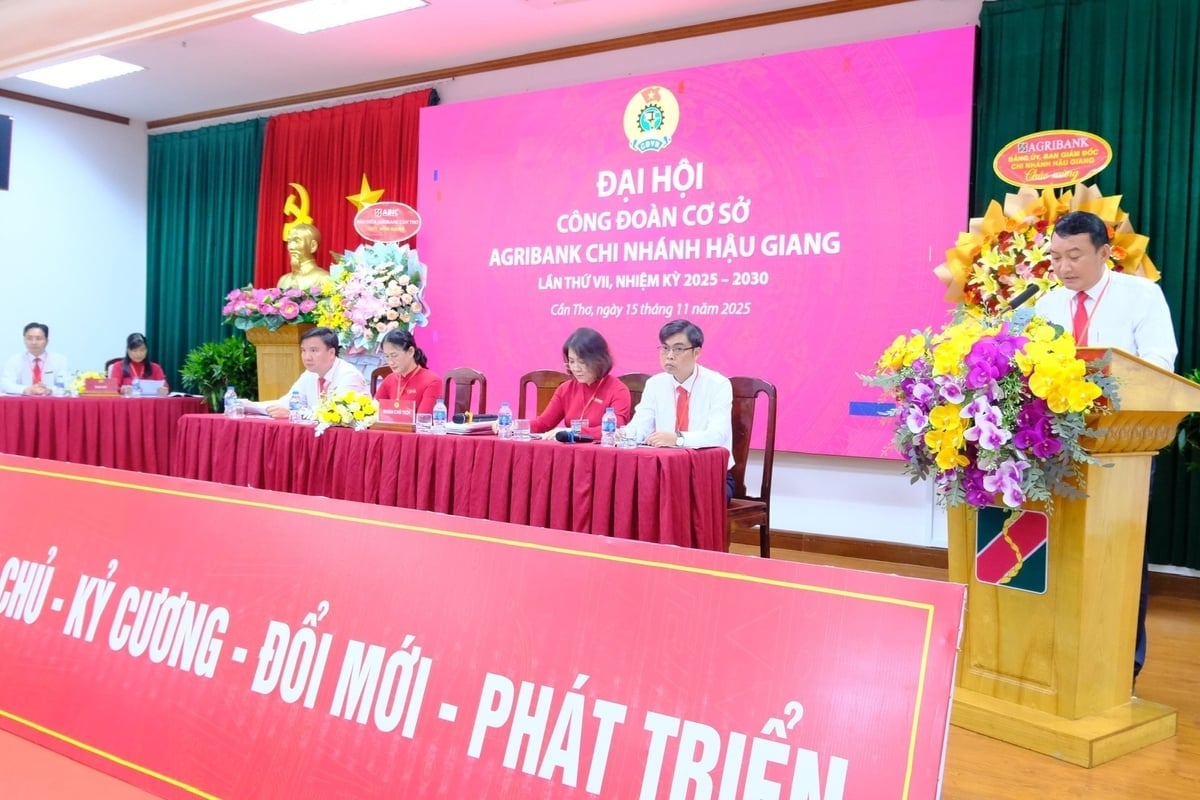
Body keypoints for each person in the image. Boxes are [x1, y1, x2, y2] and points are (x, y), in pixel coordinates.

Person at [1033, 210, 1178, 686]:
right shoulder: (1046, 304)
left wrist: (1103, 385)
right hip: (1053, 450)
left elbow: (1159, 361)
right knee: (1055, 554)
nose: (1065, 266)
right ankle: (1056, 656)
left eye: (1075, 255)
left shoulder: (1141, 295)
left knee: (1120, 553)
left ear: (1103, 252)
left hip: (1121, 448)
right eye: (1056, 256)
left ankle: (1121, 662)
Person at [621, 319, 734, 496]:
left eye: (678, 349)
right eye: (665, 348)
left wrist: (678, 439)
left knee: (678, 499)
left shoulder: (718, 384)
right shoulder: (655, 384)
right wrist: (626, 433)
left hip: (709, 474)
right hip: (664, 472)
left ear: (696, 352)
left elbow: (717, 435)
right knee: (628, 495)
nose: (670, 355)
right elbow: (641, 425)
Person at [529, 327, 632, 439]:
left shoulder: (618, 390)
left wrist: (573, 431)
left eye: (582, 362)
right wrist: (515, 427)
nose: (576, 368)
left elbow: (616, 430)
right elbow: (543, 424)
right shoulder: (565, 389)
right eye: (571, 361)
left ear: (598, 360)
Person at [255, 326, 369, 418]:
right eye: (304, 351)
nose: (307, 357)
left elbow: (336, 413)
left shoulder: (349, 375)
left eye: (314, 350)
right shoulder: (310, 374)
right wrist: (247, 406)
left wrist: (292, 414)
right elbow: (287, 402)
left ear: (331, 353)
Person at [374, 329, 442, 415]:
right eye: (387, 356)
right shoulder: (389, 379)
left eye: (394, 355)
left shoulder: (432, 381)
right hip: (388, 428)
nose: (390, 362)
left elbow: (423, 421)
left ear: (410, 351)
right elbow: (374, 413)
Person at [1, 322, 69, 396]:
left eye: (38, 338)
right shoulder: (14, 360)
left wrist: (49, 390)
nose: (34, 342)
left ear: (47, 341)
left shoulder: (59, 360)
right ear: (24, 340)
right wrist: (26, 389)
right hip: (23, 402)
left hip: (49, 402)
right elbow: (5, 384)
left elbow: (66, 386)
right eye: (29, 338)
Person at [277, 223, 333, 293]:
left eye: (297, 241)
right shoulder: (283, 280)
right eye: (289, 241)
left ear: (313, 246)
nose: (291, 247)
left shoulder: (324, 278)